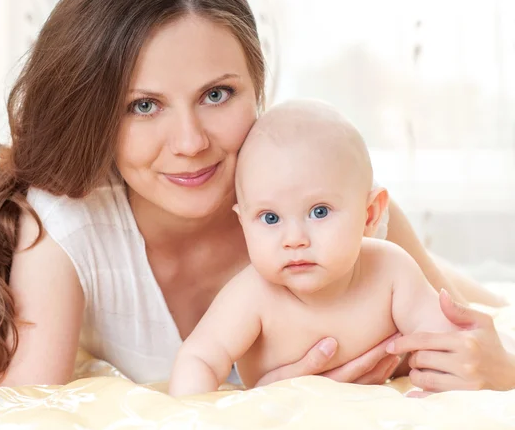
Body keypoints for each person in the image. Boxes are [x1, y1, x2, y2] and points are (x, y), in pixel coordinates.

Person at [0, 0, 514, 394]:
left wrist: (498, 368)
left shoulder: (323, 202)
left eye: (216, 94)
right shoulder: (68, 229)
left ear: (257, 86)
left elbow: (464, 335)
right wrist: (254, 403)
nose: (189, 142)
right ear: (97, 113)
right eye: (144, 105)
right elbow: (31, 408)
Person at [168, 99, 463, 396]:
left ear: (370, 214)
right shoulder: (251, 296)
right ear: (244, 223)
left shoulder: (391, 271)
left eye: (319, 212)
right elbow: (199, 358)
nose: (294, 239)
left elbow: (446, 342)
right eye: (270, 218)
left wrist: (436, 397)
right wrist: (195, 412)